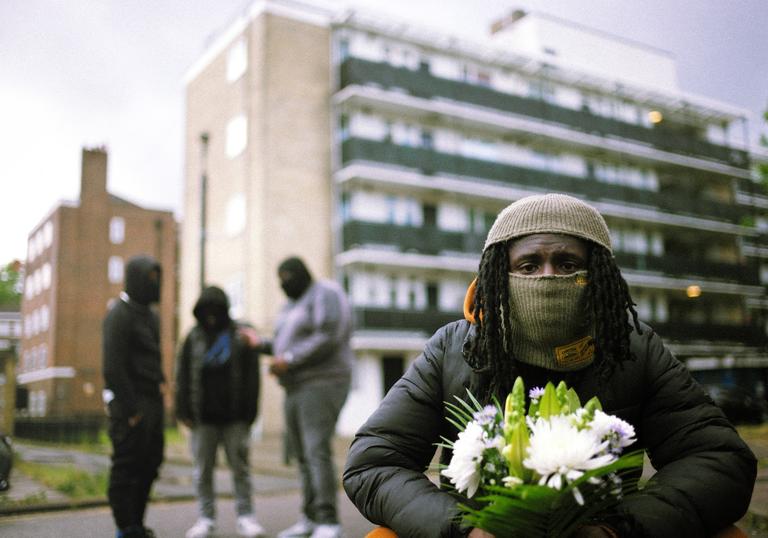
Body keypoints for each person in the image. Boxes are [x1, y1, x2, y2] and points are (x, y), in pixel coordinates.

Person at [343, 193, 758, 538]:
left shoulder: (633, 347)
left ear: (598, 275)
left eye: (567, 264)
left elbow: (719, 458)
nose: (547, 278)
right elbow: (376, 461)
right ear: (497, 276)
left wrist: (621, 530)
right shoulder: (453, 349)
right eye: (528, 265)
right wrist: (461, 530)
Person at [257, 257, 353, 538]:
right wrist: (260, 345)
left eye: (287, 275)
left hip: (323, 382)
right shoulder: (289, 305)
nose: (284, 282)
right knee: (300, 455)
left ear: (301, 272)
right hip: (294, 386)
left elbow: (329, 335)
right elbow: (283, 345)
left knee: (315, 450)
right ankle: (309, 517)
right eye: (280, 277)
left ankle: (328, 521)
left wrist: (288, 359)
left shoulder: (325, 292)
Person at [175, 286, 265, 538]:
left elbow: (252, 376)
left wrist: (250, 413)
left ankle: (246, 518)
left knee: (241, 469)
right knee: (202, 470)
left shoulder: (239, 335)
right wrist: (182, 410)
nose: (211, 315)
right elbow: (181, 376)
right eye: (206, 310)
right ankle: (205, 519)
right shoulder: (192, 338)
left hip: (235, 418)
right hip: (202, 419)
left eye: (216, 310)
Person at [102, 255, 166, 538]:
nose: (155, 284)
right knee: (126, 467)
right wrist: (131, 410)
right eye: (149, 278)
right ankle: (125, 527)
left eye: (157, 277)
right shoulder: (119, 315)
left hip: (153, 403)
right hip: (131, 404)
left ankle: (137, 524)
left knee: (149, 464)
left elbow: (152, 357)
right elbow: (112, 368)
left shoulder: (151, 316)